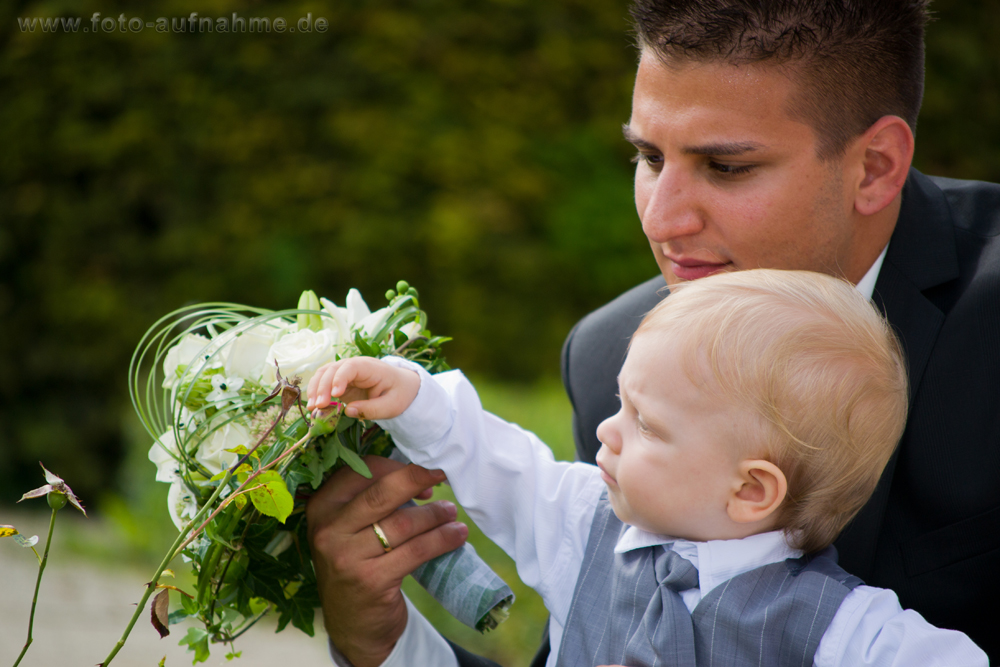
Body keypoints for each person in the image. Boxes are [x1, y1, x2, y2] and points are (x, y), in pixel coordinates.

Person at [305, 0, 1000, 664]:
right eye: (650, 158)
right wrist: (381, 643)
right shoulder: (611, 353)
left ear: (874, 166)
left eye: (725, 167)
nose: (660, 221)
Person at [305, 269, 986, 666]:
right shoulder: (584, 526)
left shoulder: (845, 629)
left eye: (646, 424)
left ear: (750, 488)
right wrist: (417, 398)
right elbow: (502, 464)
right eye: (620, 404)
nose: (608, 430)